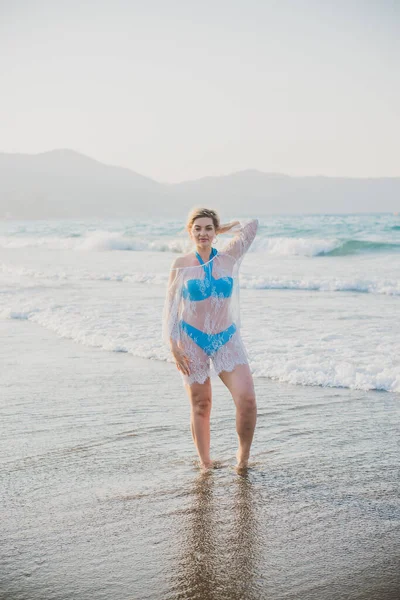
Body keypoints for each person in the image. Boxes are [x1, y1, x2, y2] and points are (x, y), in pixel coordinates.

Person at [163, 208, 259, 471]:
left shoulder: (229, 258)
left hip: (226, 338)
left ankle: (243, 460)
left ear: (215, 232)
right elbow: (171, 308)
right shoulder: (180, 264)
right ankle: (205, 465)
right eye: (198, 228)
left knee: (247, 400)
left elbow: (252, 224)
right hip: (191, 340)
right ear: (189, 231)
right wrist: (173, 346)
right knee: (202, 403)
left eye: (208, 228)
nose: (203, 233)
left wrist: (224, 227)